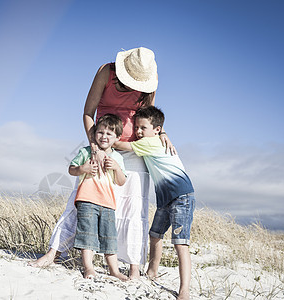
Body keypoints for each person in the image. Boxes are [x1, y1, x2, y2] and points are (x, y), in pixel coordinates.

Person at [29, 47, 176, 279]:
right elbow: (88, 112)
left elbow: (149, 113)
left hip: (134, 148)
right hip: (103, 143)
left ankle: (133, 267)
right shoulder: (106, 72)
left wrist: (162, 132)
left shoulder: (151, 79)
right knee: (83, 198)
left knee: (134, 207)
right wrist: (96, 148)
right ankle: (54, 253)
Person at [114, 106, 195, 300]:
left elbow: (122, 146)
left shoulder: (151, 142)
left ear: (156, 130)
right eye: (136, 128)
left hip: (181, 196)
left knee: (180, 244)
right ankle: (152, 271)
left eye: (143, 128)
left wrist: (103, 138)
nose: (138, 132)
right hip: (166, 198)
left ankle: (184, 290)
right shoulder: (156, 138)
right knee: (155, 235)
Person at [69, 113, 128, 280]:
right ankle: (88, 267)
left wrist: (116, 168)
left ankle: (114, 270)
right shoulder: (86, 152)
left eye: (109, 134)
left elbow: (121, 181)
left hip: (108, 202)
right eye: (100, 132)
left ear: (117, 137)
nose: (104, 137)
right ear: (94, 134)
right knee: (87, 234)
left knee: (109, 237)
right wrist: (82, 169)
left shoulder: (117, 157)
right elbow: (71, 169)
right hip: (87, 199)